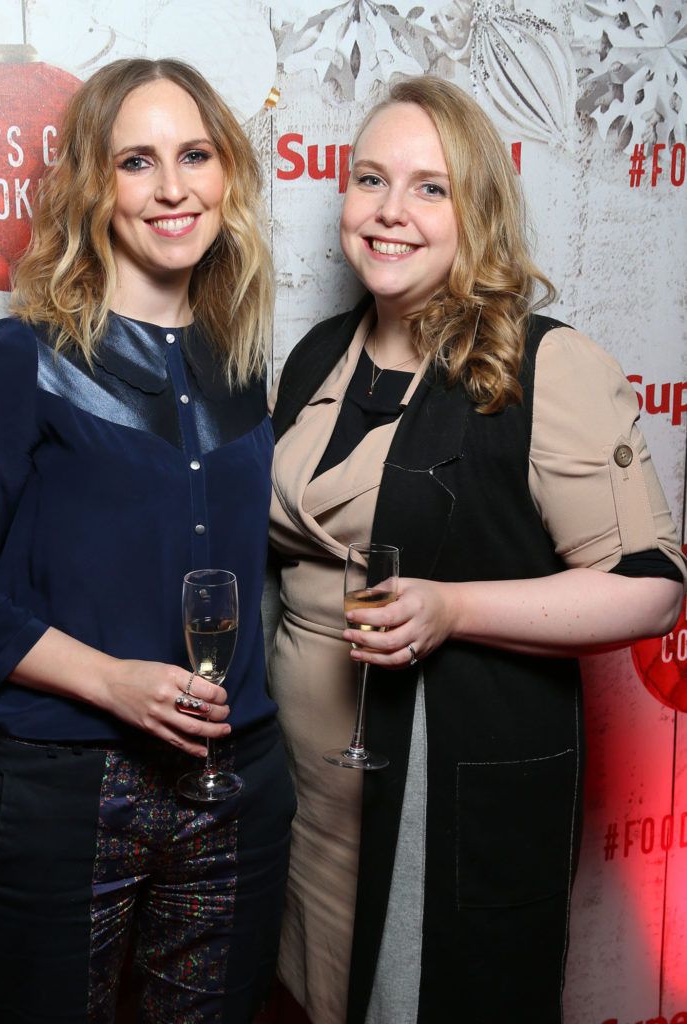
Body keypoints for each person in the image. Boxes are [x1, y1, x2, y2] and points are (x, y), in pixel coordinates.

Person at [267, 75, 685, 1024]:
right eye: (369, 179)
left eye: (428, 187)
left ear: (479, 211)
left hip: (432, 807)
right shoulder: (315, 355)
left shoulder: (541, 363)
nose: (388, 212)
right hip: (305, 810)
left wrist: (455, 609)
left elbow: (652, 587)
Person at [0, 58, 294, 1023]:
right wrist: (112, 680)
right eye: (136, 162)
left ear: (227, 174)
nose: (172, 188)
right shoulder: (23, 359)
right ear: (91, 185)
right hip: (66, 789)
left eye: (195, 155)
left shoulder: (243, 362)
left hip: (235, 780)